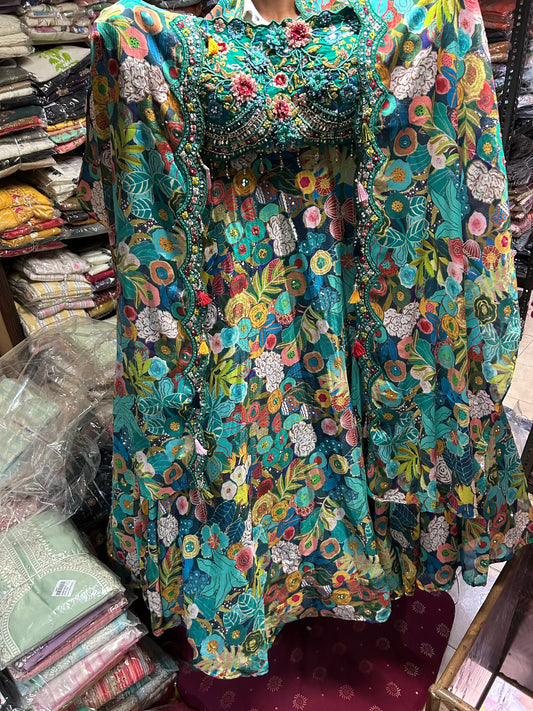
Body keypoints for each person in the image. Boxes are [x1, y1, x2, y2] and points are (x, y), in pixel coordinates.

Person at [79, 0, 533, 678]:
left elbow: (109, 196)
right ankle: (298, 587)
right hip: (261, 289)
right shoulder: (180, 42)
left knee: (315, 412)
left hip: (314, 280)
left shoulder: (385, 27)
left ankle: (321, 579)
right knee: (266, 425)